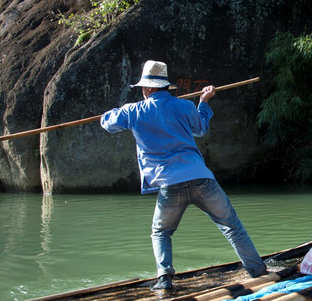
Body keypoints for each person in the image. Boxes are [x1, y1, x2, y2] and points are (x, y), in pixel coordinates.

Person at [100, 60, 267, 291]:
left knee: (161, 232)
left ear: (147, 88)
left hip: (170, 186)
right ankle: (258, 271)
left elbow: (107, 124)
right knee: (232, 226)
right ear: (165, 86)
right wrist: (203, 103)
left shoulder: (133, 111)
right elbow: (201, 128)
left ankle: (165, 280)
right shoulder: (184, 106)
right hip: (201, 179)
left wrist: (113, 112)